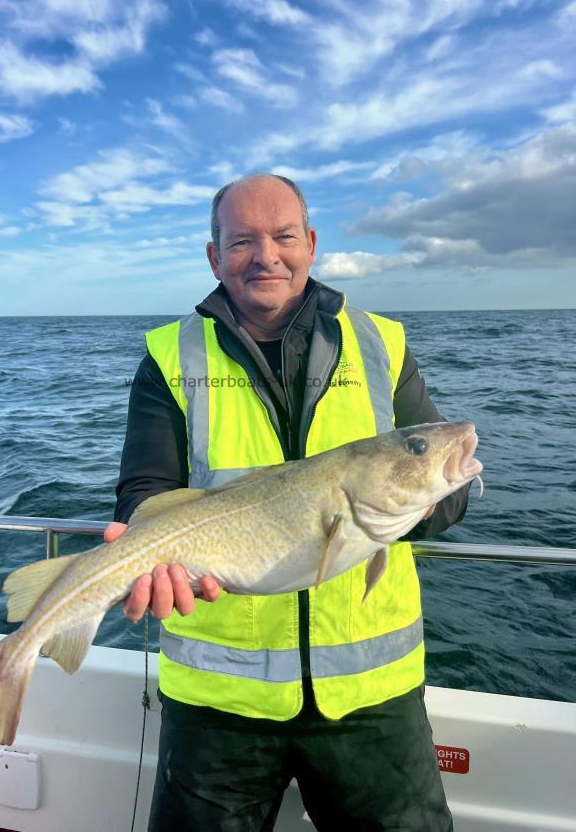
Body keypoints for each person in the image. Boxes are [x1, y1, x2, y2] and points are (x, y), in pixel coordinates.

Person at [105, 174, 469, 831]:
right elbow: (145, 490)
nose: (265, 255)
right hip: (218, 701)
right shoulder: (169, 353)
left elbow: (446, 497)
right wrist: (144, 548)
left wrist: (419, 498)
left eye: (282, 236)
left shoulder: (381, 341)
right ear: (215, 256)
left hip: (371, 697)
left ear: (310, 243)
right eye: (242, 240)